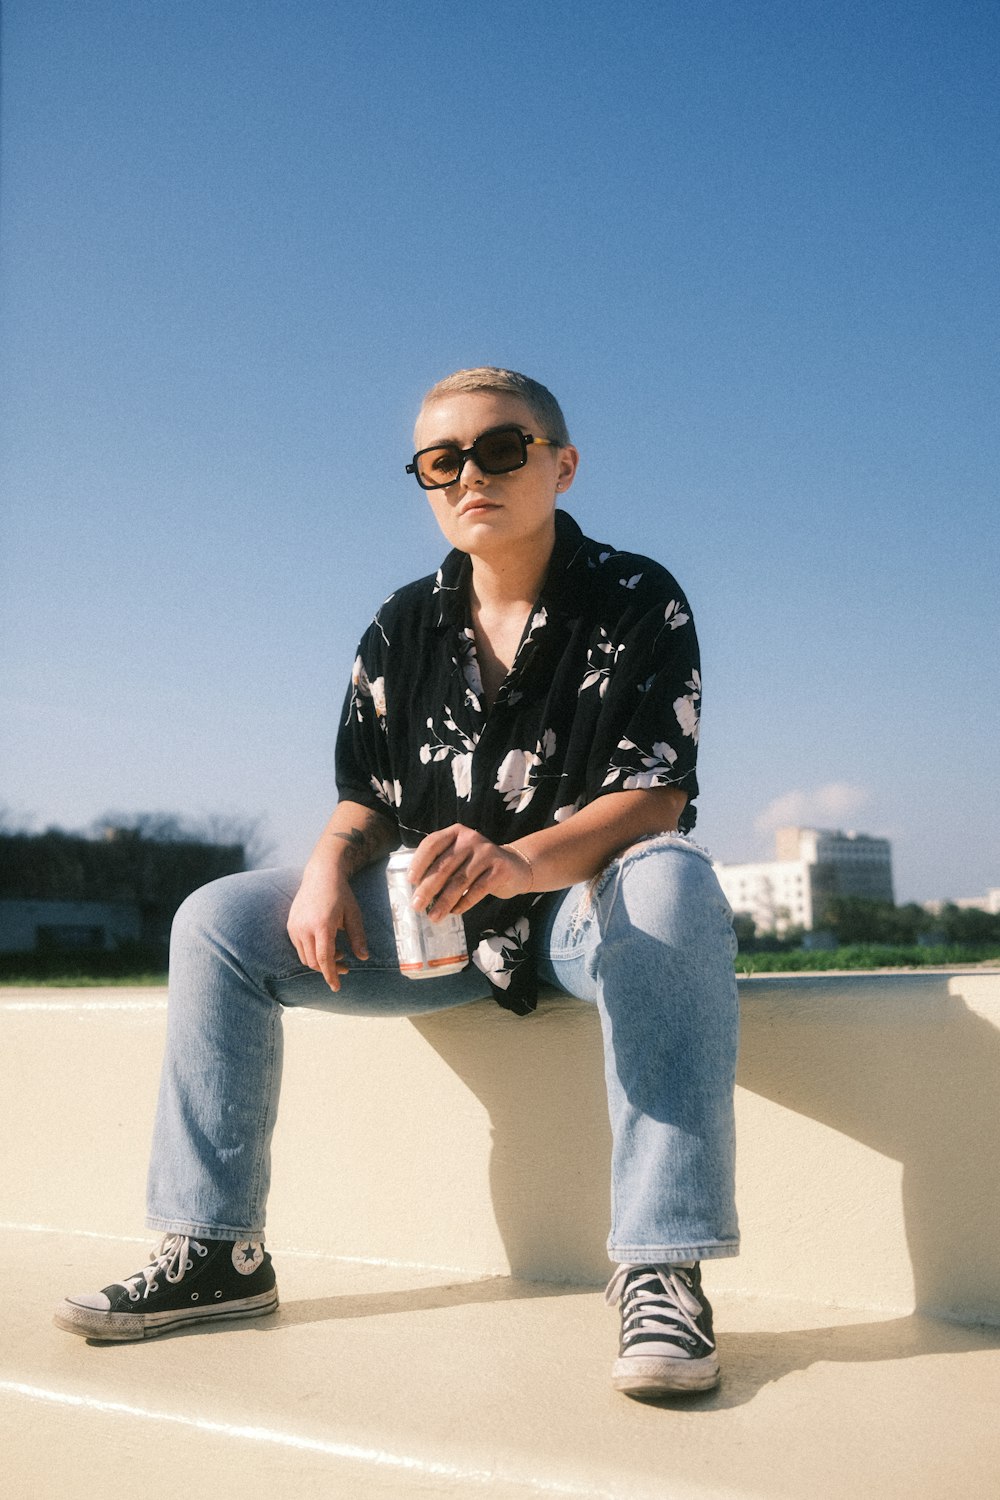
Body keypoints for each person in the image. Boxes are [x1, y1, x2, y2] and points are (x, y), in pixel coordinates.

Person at [55, 367, 740, 1399]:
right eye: (441, 459)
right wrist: (331, 866)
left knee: (673, 879)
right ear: (424, 480)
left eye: (501, 448)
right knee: (215, 921)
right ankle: (216, 1255)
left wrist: (519, 861)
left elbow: (653, 796)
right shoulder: (399, 627)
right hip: (442, 927)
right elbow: (366, 797)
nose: (471, 474)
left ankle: (660, 1268)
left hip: (583, 918)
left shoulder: (636, 596)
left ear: (561, 464)